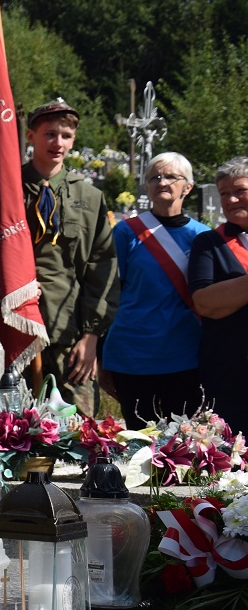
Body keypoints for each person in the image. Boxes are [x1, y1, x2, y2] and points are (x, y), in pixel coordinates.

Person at [21, 98, 117, 414]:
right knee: (7, 431)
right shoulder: (7, 191)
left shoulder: (89, 197)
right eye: (50, 134)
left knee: (79, 430)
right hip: (15, 335)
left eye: (66, 136)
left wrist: (91, 336)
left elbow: (102, 267)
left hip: (70, 335)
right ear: (31, 136)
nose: (58, 143)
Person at [100, 152, 209, 427]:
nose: (161, 182)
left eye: (171, 176)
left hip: (185, 355)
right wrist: (102, 355)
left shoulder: (202, 237)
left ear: (187, 187)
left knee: (185, 441)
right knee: (139, 441)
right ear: (147, 187)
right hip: (133, 353)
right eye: (154, 178)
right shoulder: (126, 233)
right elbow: (109, 292)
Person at [189, 156, 248, 433]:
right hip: (231, 370)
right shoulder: (209, 244)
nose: (231, 200)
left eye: (240, 190)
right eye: (224, 193)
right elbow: (205, 303)